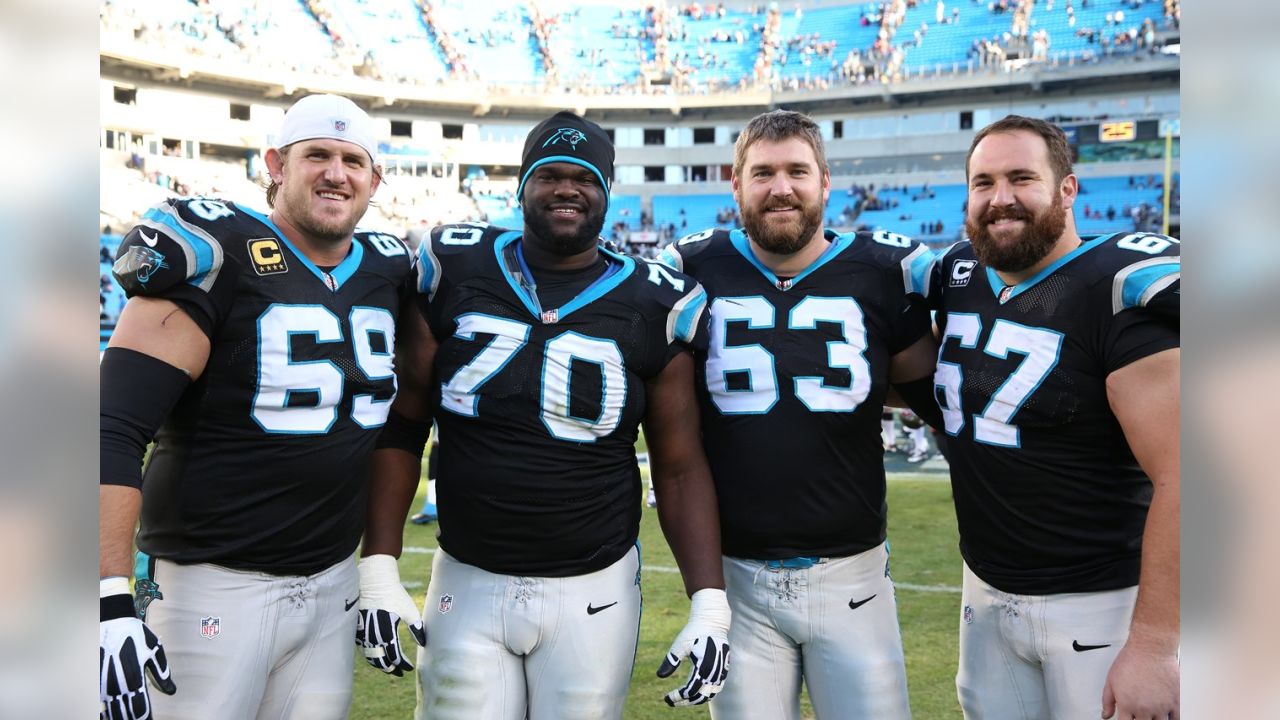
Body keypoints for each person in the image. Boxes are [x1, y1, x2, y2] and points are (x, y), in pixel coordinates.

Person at [358, 111, 731, 719]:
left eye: (584, 178)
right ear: (522, 186)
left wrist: (708, 600)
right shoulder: (456, 265)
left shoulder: (656, 299)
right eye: (549, 175)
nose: (566, 189)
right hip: (465, 573)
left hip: (594, 584)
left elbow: (680, 464)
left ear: (606, 193)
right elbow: (403, 425)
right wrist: (378, 565)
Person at [99, 94, 419, 719]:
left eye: (353, 160)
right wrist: (108, 597)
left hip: (331, 586)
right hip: (208, 586)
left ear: (375, 181)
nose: (336, 173)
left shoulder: (388, 269)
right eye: (316, 155)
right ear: (275, 163)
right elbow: (109, 428)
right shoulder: (216, 254)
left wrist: (377, 570)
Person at [656, 109, 941, 720]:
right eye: (761, 173)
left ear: (825, 182)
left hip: (854, 576)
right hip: (736, 577)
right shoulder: (689, 269)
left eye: (796, 172)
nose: (780, 188)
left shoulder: (884, 272)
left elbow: (939, 401)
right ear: (735, 185)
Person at [924, 114, 1180, 719]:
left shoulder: (1117, 287)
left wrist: (1155, 643)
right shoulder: (960, 274)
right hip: (984, 592)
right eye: (983, 183)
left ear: (1067, 189)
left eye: (1021, 178)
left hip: (1102, 605)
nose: (1000, 199)